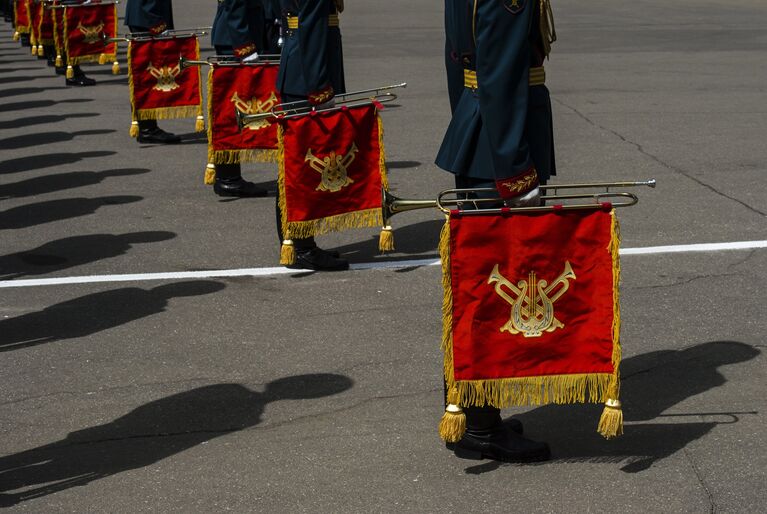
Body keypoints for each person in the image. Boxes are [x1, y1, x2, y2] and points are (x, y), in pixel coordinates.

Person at [435, 0, 558, 463]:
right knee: (490, 288)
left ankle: (474, 413)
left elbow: (459, 55)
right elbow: (501, 68)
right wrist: (516, 171)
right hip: (502, 145)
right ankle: (479, 424)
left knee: (477, 284)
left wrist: (470, 125)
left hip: (481, 133)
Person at [274, 0, 348, 271]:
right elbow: (313, 24)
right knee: (300, 166)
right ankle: (300, 246)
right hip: (307, 76)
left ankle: (297, 242)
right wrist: (319, 87)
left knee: (297, 164)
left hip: (300, 67)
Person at [209, 0, 270, 197]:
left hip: (240, 33)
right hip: (236, 38)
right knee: (230, 110)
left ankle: (228, 175)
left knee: (232, 109)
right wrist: (244, 45)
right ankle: (228, 178)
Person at [124, 0, 181, 144]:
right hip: (147, 18)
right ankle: (147, 129)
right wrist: (157, 25)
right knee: (145, 75)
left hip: (147, 16)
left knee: (146, 74)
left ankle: (147, 126)